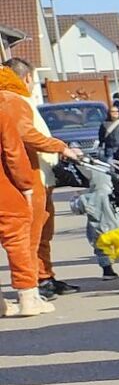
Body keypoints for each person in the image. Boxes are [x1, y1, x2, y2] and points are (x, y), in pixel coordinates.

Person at [0, 65, 81, 312]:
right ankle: (29, 296)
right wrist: (25, 185)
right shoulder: (10, 101)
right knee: (22, 239)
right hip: (11, 184)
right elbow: (15, 147)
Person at [0, 80, 37, 317]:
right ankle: (27, 299)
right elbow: (14, 154)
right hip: (5, 192)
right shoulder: (2, 112)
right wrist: (26, 186)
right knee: (17, 243)